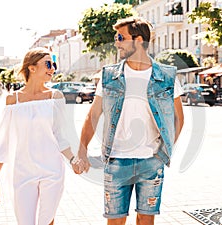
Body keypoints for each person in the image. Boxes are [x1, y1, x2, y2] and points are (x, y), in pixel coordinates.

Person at [76, 17, 184, 225]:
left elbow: (178, 118)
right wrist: (82, 150)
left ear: (139, 40)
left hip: (151, 160)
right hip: (116, 159)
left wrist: (164, 151)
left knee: (145, 220)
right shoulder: (109, 76)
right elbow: (93, 115)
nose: (116, 42)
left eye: (120, 37)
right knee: (115, 221)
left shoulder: (166, 76)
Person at [0, 47, 83, 225]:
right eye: (48, 64)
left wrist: (73, 160)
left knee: (47, 222)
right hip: (22, 172)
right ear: (32, 68)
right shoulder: (13, 100)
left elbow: (60, 136)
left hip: (52, 170)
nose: (53, 68)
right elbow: (4, 141)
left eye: (53, 64)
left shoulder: (55, 96)